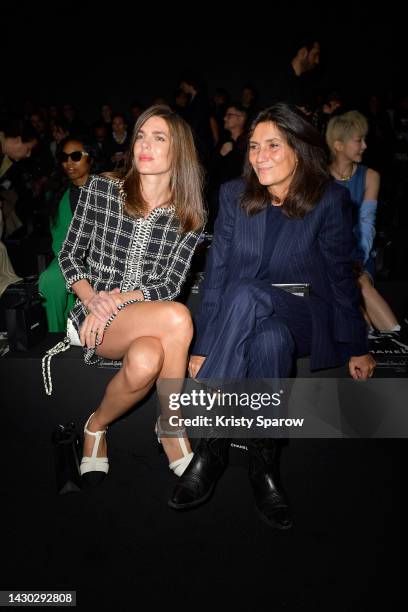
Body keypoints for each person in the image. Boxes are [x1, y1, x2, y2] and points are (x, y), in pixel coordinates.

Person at [169, 103, 376, 528]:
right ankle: (265, 467)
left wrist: (356, 344)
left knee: (250, 296)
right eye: (253, 146)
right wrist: (207, 343)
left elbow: (340, 277)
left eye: (272, 146)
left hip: (303, 309)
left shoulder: (328, 198)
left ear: (298, 150)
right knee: (269, 341)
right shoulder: (233, 195)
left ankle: (210, 444)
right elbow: (218, 274)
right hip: (250, 319)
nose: (258, 156)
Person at [57, 105, 205, 487]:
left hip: (147, 324)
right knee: (178, 317)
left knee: (145, 361)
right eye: (141, 135)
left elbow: (169, 286)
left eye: (159, 138)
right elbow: (69, 254)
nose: (145, 145)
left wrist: (119, 299)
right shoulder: (102, 188)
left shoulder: (190, 215)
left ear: (179, 152)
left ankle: (95, 426)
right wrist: (93, 300)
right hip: (93, 320)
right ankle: (171, 426)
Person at [326, 110, 400, 332]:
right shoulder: (320, 178)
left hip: (359, 252)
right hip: (327, 255)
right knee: (349, 284)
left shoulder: (370, 176)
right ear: (338, 145)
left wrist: (357, 259)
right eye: (358, 140)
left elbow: (367, 224)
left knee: (360, 282)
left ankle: (394, 339)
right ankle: (368, 335)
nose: (365, 146)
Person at [39, 138, 93, 332]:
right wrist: (70, 260)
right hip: (68, 255)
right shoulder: (58, 195)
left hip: (101, 257)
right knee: (49, 279)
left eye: (76, 156)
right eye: (64, 157)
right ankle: (55, 336)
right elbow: (59, 238)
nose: (69, 163)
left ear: (90, 159)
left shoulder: (106, 189)